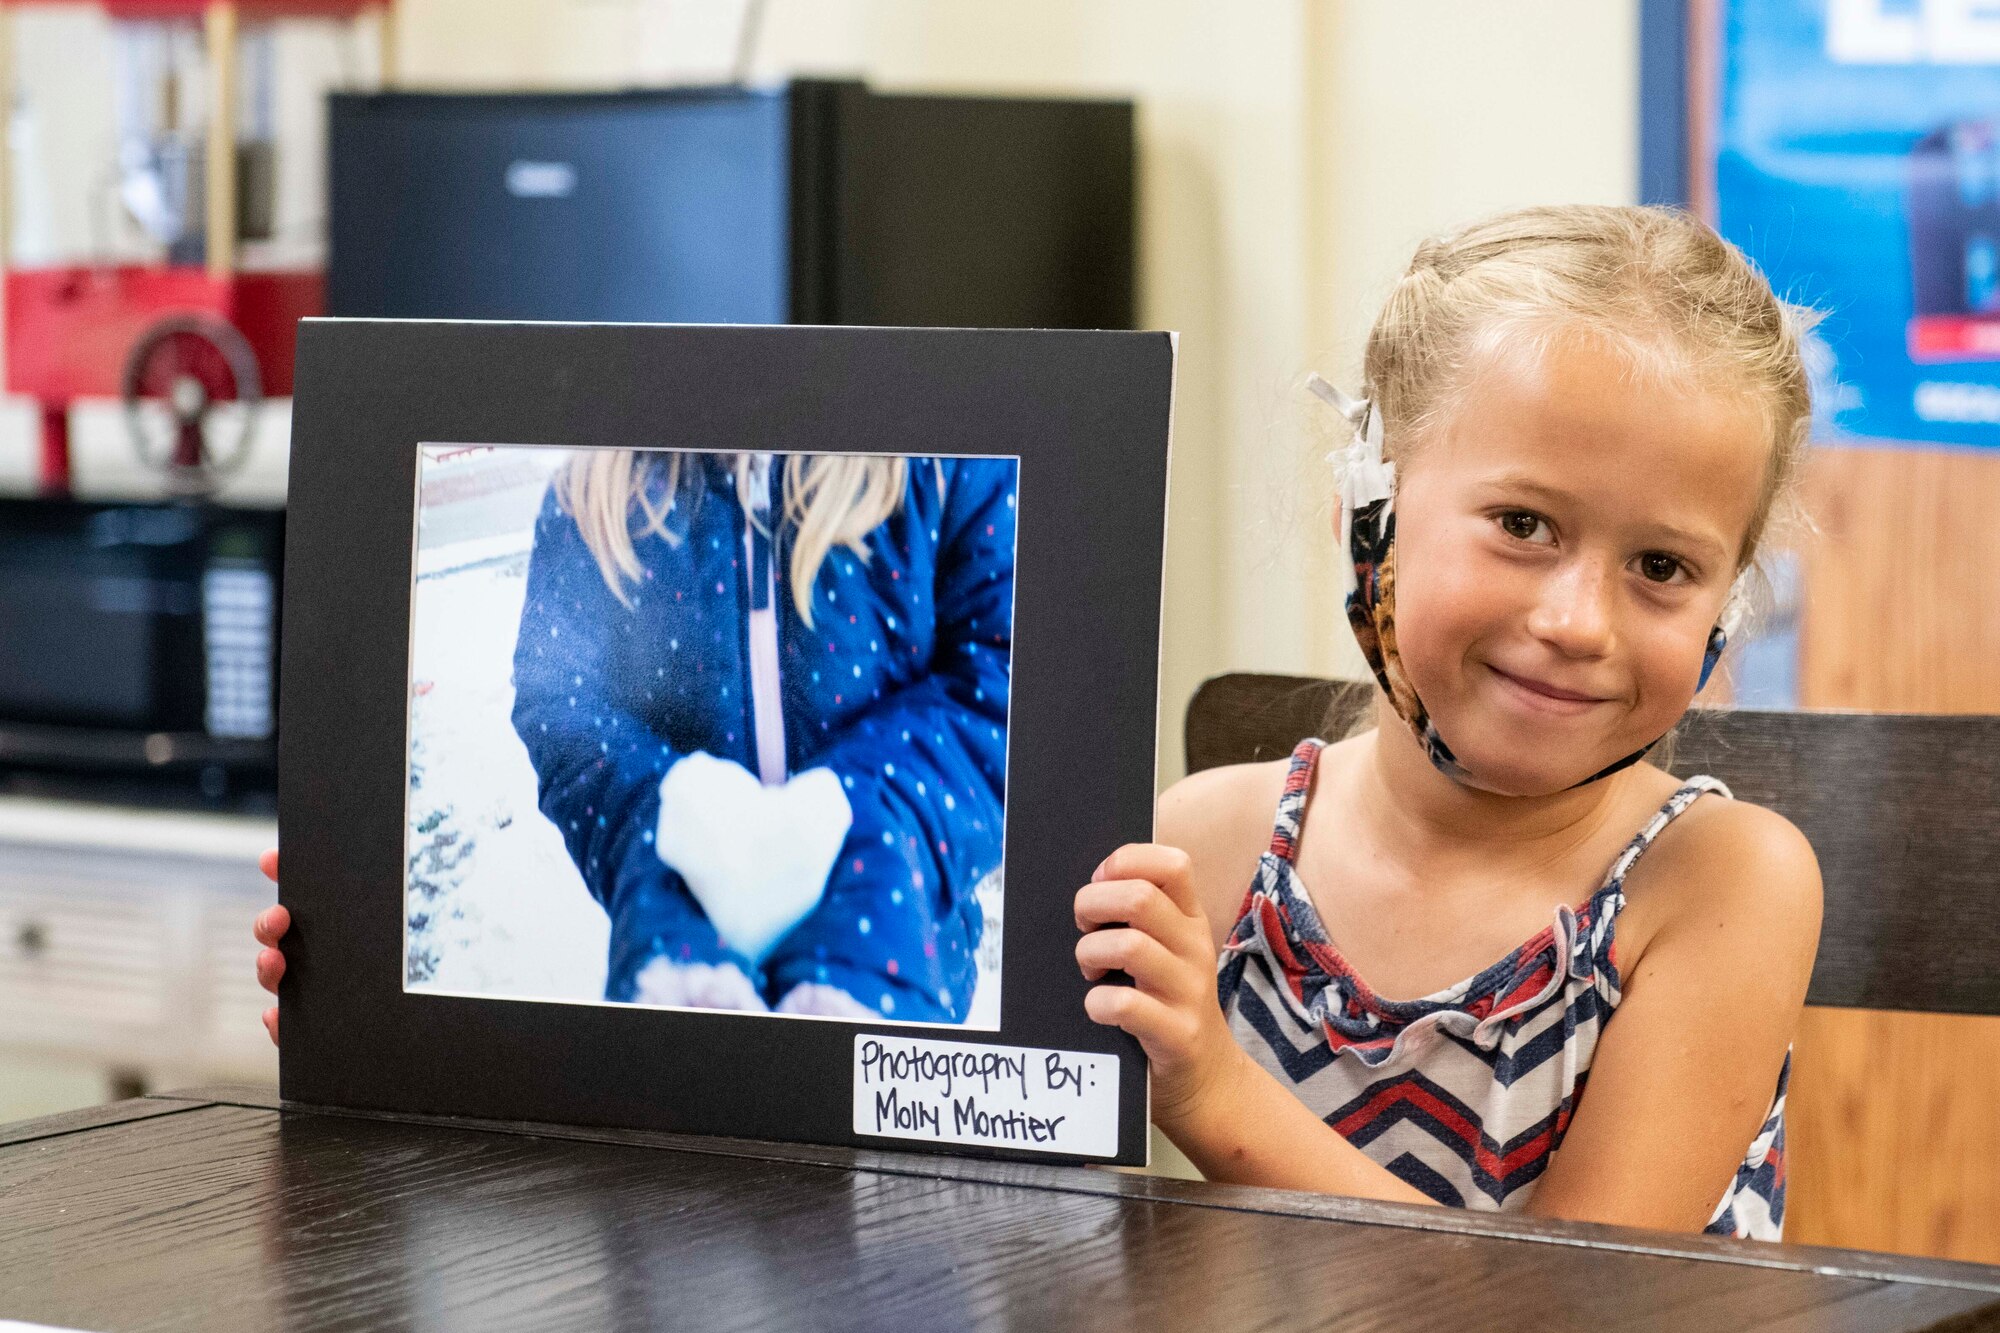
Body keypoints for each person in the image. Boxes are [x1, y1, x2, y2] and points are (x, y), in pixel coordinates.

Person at [1071, 205, 1821, 1239]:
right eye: (1521, 525)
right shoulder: (1204, 844)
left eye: (1660, 567)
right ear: (1368, 517)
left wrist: (1208, 1090)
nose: (1574, 623)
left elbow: (1571, 1302)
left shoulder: (1720, 882)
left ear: (1725, 605)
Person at [257, 448, 1016, 1031]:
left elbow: (1004, 678)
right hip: (676, 988)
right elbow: (562, 701)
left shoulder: (950, 465)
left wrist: (857, 830)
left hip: (889, 974)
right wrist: (670, 825)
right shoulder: (595, 490)